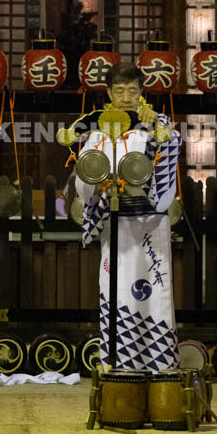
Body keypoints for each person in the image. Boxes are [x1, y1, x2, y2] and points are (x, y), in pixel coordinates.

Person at [73, 63, 181, 372]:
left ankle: (158, 365)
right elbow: (85, 178)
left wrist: (158, 127)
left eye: (132, 91)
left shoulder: (156, 123)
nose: (125, 98)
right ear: (108, 94)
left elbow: (169, 151)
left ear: (141, 93)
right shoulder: (97, 131)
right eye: (119, 91)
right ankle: (118, 363)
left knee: (154, 290)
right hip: (116, 223)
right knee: (117, 289)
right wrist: (98, 182)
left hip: (149, 222)